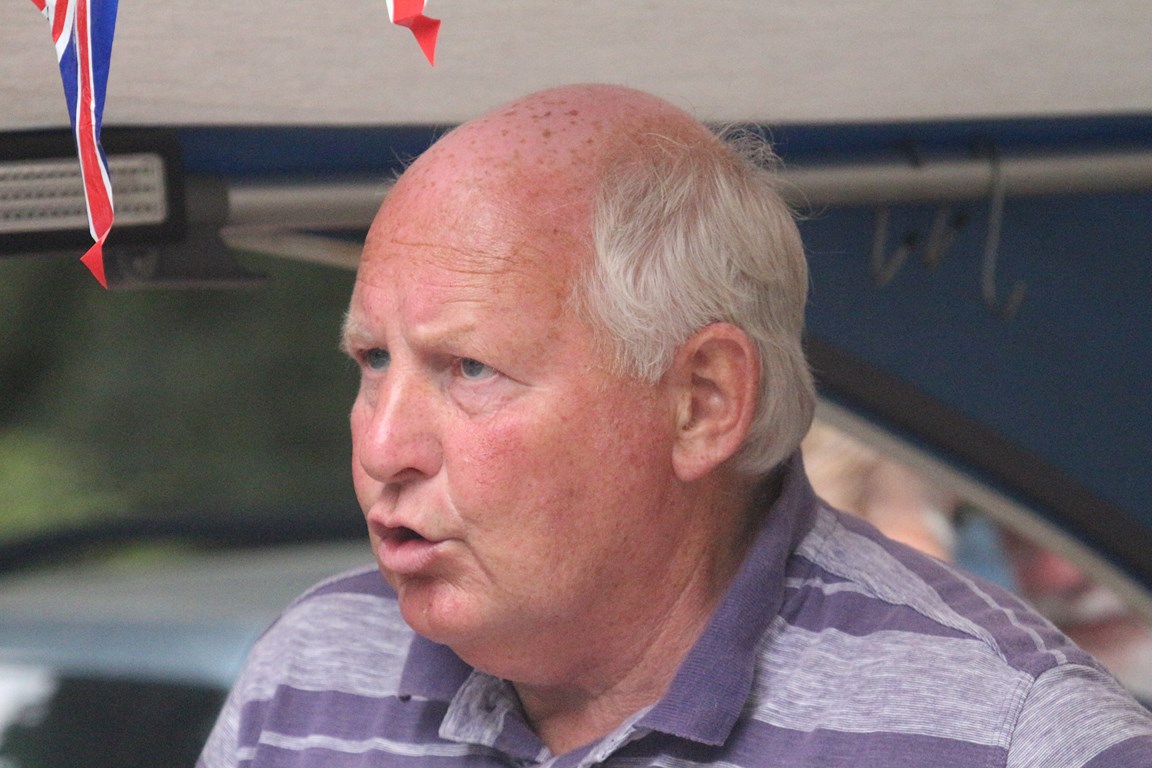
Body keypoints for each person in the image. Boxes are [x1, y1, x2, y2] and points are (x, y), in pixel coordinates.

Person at [198, 84, 1152, 767]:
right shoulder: (309, 672)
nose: (381, 448)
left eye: (470, 368)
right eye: (373, 361)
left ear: (702, 403)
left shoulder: (1015, 739)